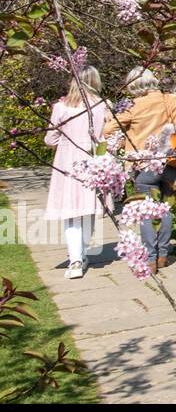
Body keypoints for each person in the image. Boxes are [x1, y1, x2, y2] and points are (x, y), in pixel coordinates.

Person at [102, 67, 176, 274]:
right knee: (166, 208)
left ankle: (151, 259)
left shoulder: (133, 106)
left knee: (146, 212)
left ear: (134, 85)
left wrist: (126, 136)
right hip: (173, 162)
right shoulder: (171, 100)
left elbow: (108, 130)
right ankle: (163, 255)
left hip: (144, 164)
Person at [44, 66, 108, 280]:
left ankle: (76, 260)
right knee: (88, 208)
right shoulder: (101, 106)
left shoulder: (61, 107)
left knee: (71, 212)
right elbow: (104, 137)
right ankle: (80, 253)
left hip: (68, 161)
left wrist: (65, 143)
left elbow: (50, 139)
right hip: (92, 159)